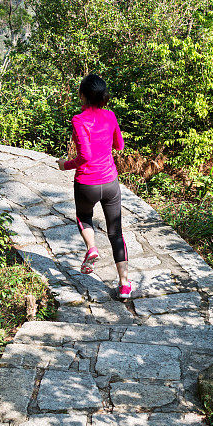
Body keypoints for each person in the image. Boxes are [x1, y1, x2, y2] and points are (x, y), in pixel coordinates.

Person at [57, 73, 131, 300]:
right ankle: (124, 285)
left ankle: (91, 248)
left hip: (86, 183)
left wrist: (64, 165)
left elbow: (85, 155)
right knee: (116, 233)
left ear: (82, 95)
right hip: (109, 182)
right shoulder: (110, 116)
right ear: (103, 96)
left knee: (84, 217)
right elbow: (120, 145)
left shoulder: (78, 120)